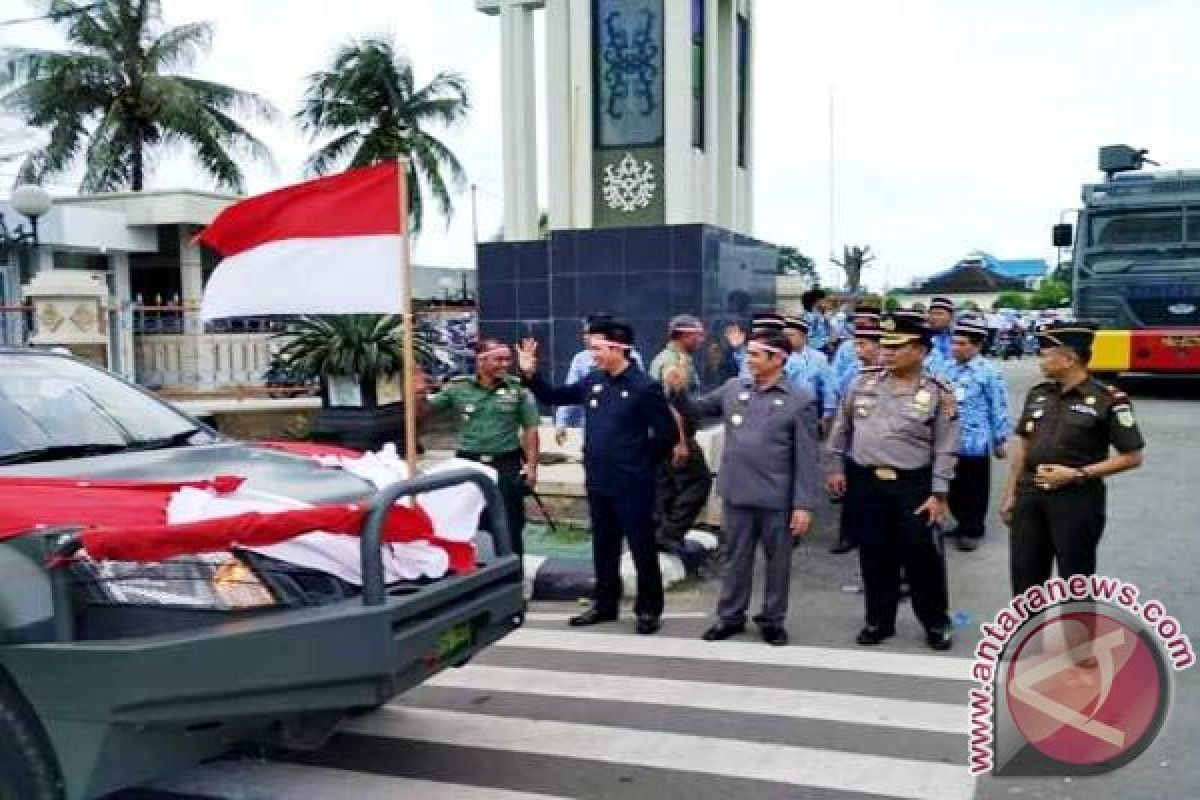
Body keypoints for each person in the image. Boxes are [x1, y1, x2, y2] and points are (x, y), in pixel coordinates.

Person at [517, 320, 677, 634]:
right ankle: (605, 605)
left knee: (642, 547)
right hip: (599, 479)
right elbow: (554, 396)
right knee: (603, 546)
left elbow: (666, 435)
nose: (593, 355)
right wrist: (531, 374)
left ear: (619, 349)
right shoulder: (593, 380)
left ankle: (648, 610)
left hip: (633, 483)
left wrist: (641, 463)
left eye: (597, 349)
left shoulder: (644, 387)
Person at [827, 312, 960, 651]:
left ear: (920, 351)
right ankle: (878, 620)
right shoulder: (862, 382)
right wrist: (835, 467)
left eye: (897, 346)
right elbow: (841, 429)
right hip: (866, 482)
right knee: (873, 552)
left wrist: (939, 492)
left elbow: (946, 446)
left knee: (922, 556)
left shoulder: (937, 392)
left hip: (913, 485)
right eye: (885, 345)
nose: (887, 352)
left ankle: (935, 621)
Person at [677, 330, 819, 646]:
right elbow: (697, 410)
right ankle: (730, 617)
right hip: (737, 493)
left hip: (777, 498)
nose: (747, 359)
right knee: (735, 559)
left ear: (778, 359)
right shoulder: (733, 388)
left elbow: (808, 458)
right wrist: (677, 391)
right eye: (748, 353)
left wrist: (803, 505)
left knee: (777, 563)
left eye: (755, 354)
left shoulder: (800, 399)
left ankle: (772, 619)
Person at [1000, 322, 1145, 595]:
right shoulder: (1039, 393)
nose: (1039, 359)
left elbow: (1132, 457)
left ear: (1069, 359)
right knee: (1025, 578)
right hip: (1030, 494)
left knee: (1075, 580)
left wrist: (1077, 474)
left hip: (1076, 499)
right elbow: (1024, 445)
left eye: (1045, 354)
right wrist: (1011, 493)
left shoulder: (1109, 400)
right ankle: (1029, 637)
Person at [422, 339, 540, 556]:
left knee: (510, 525)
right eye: (498, 359)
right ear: (481, 361)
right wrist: (416, 393)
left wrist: (532, 466)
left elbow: (531, 429)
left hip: (505, 465)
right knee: (463, 523)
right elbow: (423, 411)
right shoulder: (459, 388)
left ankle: (512, 579)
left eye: (507, 359)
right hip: (468, 465)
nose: (505, 364)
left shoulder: (518, 390)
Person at [944, 317, 1012, 552]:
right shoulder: (946, 368)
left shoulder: (989, 373)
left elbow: (999, 406)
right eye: (954, 343)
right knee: (951, 486)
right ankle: (961, 522)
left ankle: (972, 529)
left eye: (962, 344)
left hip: (975, 440)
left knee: (973, 488)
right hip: (948, 440)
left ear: (977, 346)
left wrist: (999, 439)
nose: (956, 348)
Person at [648, 315, 714, 555]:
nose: (702, 340)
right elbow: (670, 405)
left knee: (666, 486)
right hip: (674, 435)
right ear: (685, 335)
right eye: (698, 335)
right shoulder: (671, 362)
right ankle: (670, 533)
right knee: (699, 481)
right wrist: (680, 442)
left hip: (666, 436)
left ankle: (659, 535)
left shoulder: (676, 358)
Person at [828, 316, 885, 555]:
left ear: (879, 346)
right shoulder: (853, 371)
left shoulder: (891, 372)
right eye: (857, 343)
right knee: (853, 493)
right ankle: (848, 535)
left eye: (863, 344)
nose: (857, 349)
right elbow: (840, 398)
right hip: (854, 440)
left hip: (883, 447)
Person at [553, 313, 645, 446]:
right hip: (593, 430)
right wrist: (561, 423)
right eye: (585, 333)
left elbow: (642, 392)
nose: (585, 337)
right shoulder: (580, 360)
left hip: (625, 430)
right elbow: (569, 392)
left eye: (589, 333)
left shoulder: (632, 357)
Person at [781, 316, 837, 435]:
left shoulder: (818, 358)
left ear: (803, 337)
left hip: (809, 413)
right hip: (782, 411)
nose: (785, 338)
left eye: (790, 335)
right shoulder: (778, 356)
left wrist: (828, 414)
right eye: (784, 335)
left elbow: (828, 387)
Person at [924, 296, 956, 378]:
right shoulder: (922, 338)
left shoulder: (958, 338)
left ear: (951, 316)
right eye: (932, 313)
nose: (934, 317)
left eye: (939, 314)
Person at [802, 289, 833, 356]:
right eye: (824, 300)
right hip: (817, 350)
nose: (826, 303)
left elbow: (827, 333)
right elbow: (807, 337)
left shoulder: (820, 316)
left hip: (823, 348)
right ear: (817, 301)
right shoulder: (810, 318)